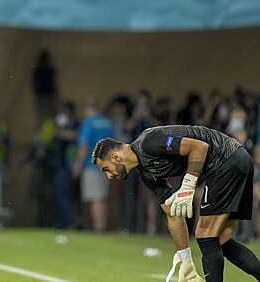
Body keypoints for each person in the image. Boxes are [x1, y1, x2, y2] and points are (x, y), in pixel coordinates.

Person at [92, 125, 260, 282]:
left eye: (106, 169)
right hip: (236, 160)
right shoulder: (147, 175)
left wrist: (188, 184)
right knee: (221, 239)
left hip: (226, 160)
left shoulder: (148, 143)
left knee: (205, 233)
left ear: (115, 157)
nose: (109, 176)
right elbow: (172, 214)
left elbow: (199, 147)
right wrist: (185, 260)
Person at [72, 98, 114, 232]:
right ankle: (103, 225)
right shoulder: (107, 122)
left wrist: (78, 165)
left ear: (87, 109)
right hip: (107, 165)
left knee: (95, 198)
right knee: (102, 197)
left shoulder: (88, 123)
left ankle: (98, 228)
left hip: (92, 165)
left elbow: (83, 146)